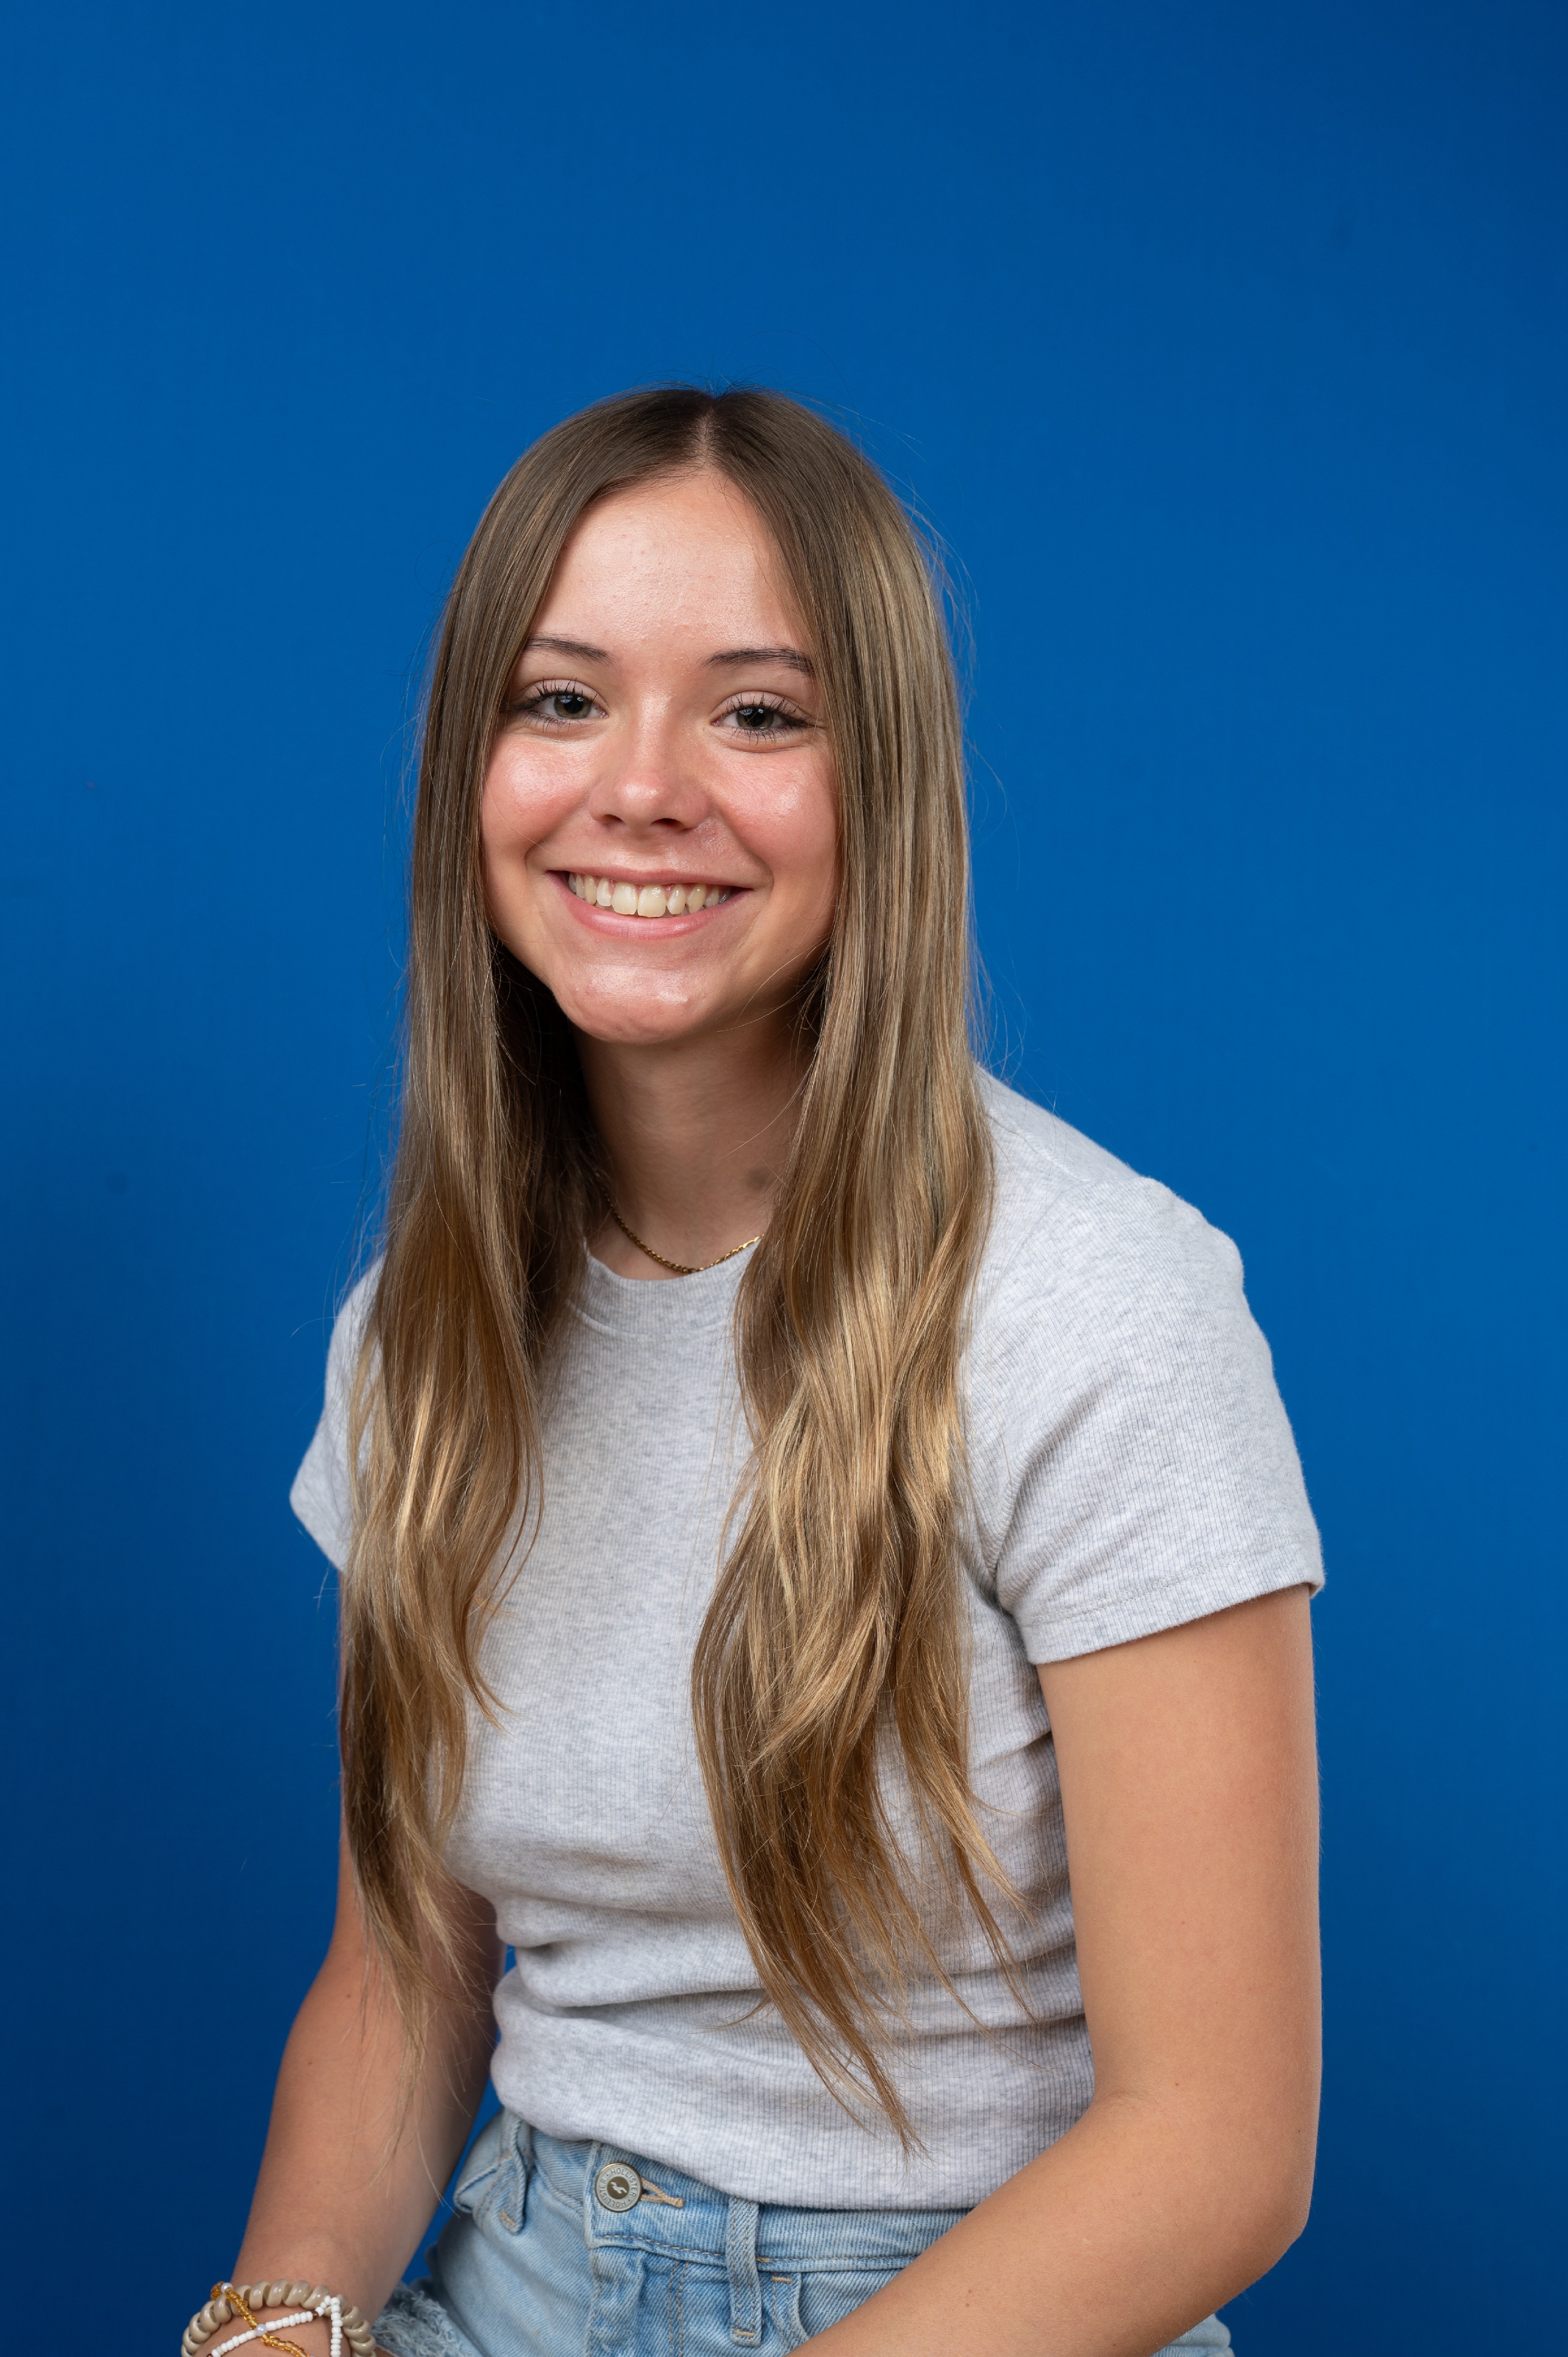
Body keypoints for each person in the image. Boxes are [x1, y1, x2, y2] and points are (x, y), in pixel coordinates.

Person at [186, 387, 1322, 2357]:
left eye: (759, 713)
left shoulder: (1097, 1304)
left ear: (883, 785)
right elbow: (403, 1968)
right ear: (472, 773)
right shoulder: (418, 1336)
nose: (643, 786)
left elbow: (1215, 2147)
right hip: (523, 2274)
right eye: (562, 699)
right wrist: (271, 2329)